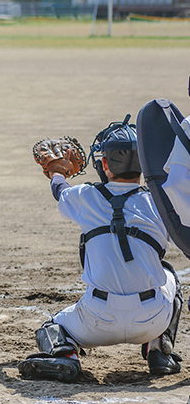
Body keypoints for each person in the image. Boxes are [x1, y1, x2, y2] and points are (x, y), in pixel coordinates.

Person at [18, 116, 183, 382]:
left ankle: (66, 356)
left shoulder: (85, 196)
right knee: (170, 275)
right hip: (151, 319)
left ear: (104, 163)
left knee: (52, 326)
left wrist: (57, 171)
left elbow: (60, 190)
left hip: (96, 322)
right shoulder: (160, 202)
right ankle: (159, 351)